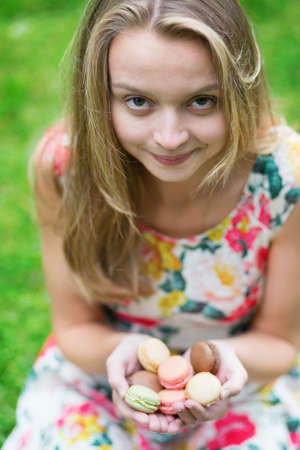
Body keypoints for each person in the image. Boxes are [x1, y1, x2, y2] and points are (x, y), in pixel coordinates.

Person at [3, 0, 300, 448]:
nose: (169, 137)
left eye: (202, 101)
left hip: (246, 380)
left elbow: (278, 341)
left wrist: (221, 367)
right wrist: (119, 356)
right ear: (99, 95)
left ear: (240, 89)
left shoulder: (284, 179)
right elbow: (75, 329)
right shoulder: (67, 167)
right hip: (102, 376)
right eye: (137, 101)